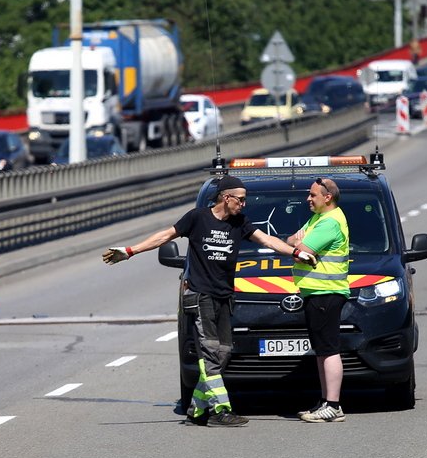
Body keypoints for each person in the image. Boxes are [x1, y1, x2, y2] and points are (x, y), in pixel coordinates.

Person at [102, 175, 312, 428]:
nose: (244, 204)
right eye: (241, 200)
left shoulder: (239, 223)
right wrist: (130, 251)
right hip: (201, 295)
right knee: (211, 351)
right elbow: (165, 236)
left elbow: (268, 240)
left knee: (223, 352)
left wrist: (296, 252)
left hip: (225, 296)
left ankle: (197, 408)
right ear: (227, 198)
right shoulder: (197, 218)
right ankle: (220, 410)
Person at [288, 177, 351, 423]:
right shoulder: (319, 218)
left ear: (328, 197)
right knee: (322, 350)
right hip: (316, 292)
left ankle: (333, 405)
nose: (308, 199)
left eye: (313, 195)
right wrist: (296, 244)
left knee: (328, 349)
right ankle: (326, 402)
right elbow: (292, 242)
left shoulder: (329, 223)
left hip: (326, 291)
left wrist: (297, 245)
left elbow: (300, 250)